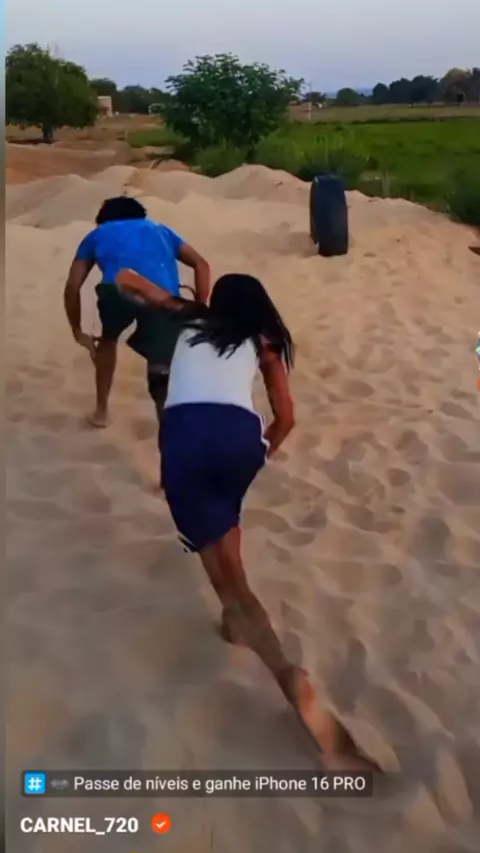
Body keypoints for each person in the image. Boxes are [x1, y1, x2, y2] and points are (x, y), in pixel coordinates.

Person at [117, 270, 381, 771]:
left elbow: (133, 282)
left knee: (227, 573)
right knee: (225, 521)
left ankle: (285, 672)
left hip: (185, 435)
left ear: (217, 302)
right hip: (239, 438)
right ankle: (233, 621)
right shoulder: (264, 342)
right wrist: (257, 456)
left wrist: (137, 285)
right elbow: (286, 418)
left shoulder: (191, 318)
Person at [63, 196, 210, 427]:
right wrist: (200, 306)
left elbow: (73, 286)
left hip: (116, 291)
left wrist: (76, 330)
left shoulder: (97, 234)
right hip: (163, 298)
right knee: (160, 367)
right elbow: (201, 264)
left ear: (104, 219)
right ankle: (167, 429)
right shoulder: (161, 230)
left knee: (108, 340)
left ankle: (101, 411)